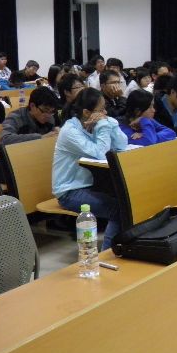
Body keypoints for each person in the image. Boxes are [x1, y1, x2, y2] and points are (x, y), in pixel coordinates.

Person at [52, 88, 127, 250]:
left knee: (128, 200)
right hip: (69, 192)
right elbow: (100, 153)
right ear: (86, 112)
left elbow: (122, 144)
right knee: (120, 209)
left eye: (105, 109)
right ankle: (107, 254)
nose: (105, 113)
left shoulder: (95, 123)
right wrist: (104, 124)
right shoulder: (70, 131)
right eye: (101, 110)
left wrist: (109, 122)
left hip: (92, 186)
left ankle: (123, 248)